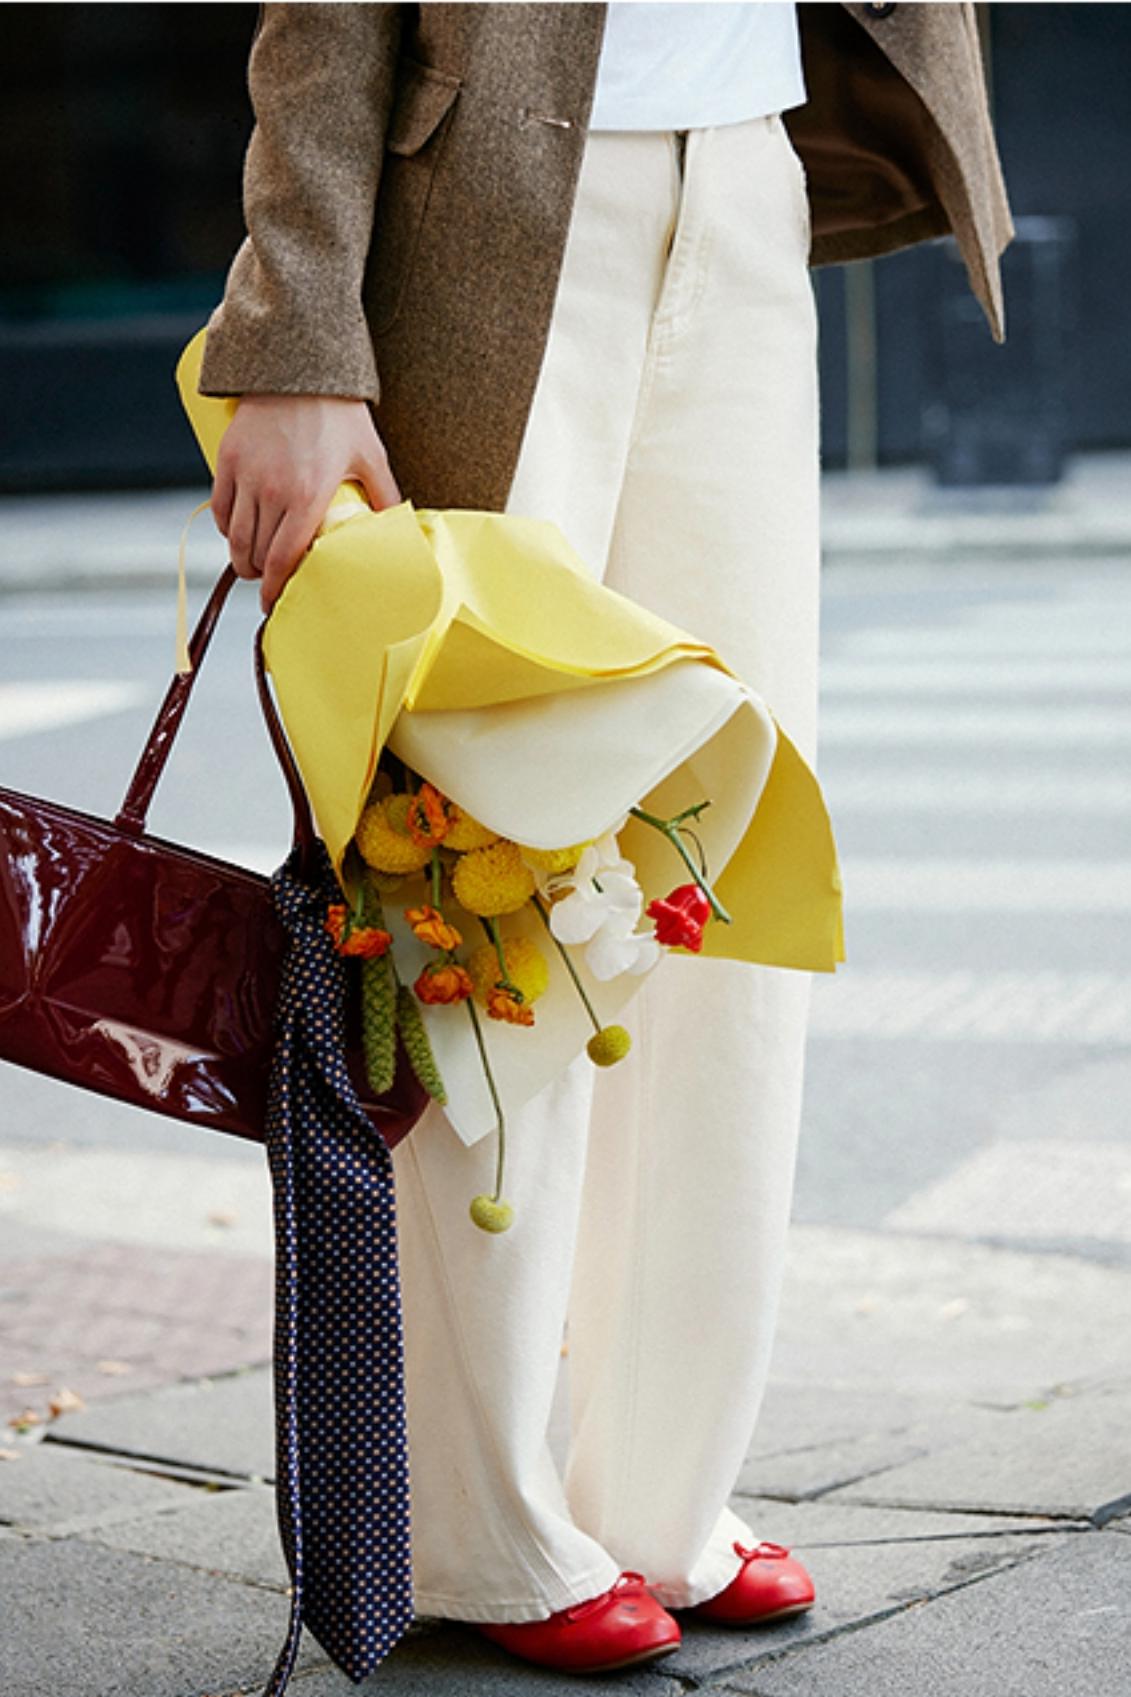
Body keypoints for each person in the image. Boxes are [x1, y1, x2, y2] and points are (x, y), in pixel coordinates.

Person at [200, 1, 1013, 1676]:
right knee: (486, 872)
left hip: (747, 176)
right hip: (480, 220)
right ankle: (472, 1517)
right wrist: (293, 327)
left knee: (711, 844)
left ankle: (659, 1485)